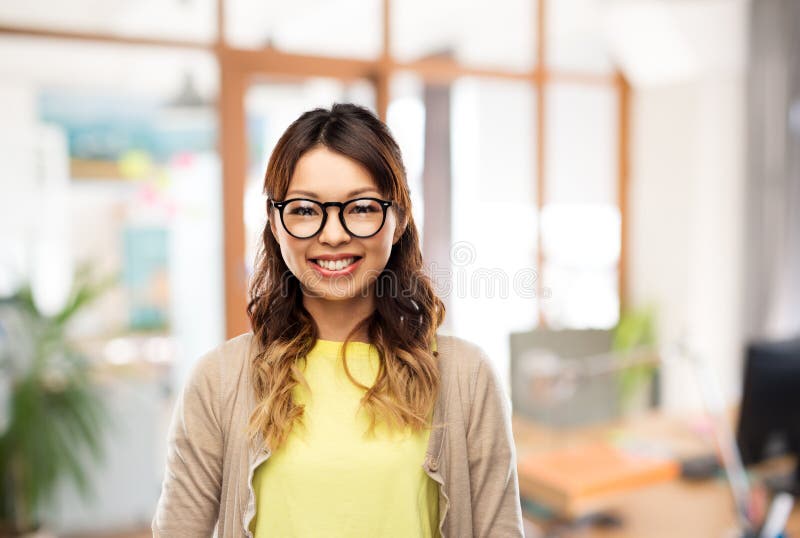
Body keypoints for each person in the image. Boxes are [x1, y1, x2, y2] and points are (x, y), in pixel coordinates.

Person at [152, 103, 524, 537]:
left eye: (362, 207)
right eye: (306, 210)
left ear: (399, 217)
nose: (333, 235)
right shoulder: (219, 379)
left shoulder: (466, 376)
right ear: (274, 221)